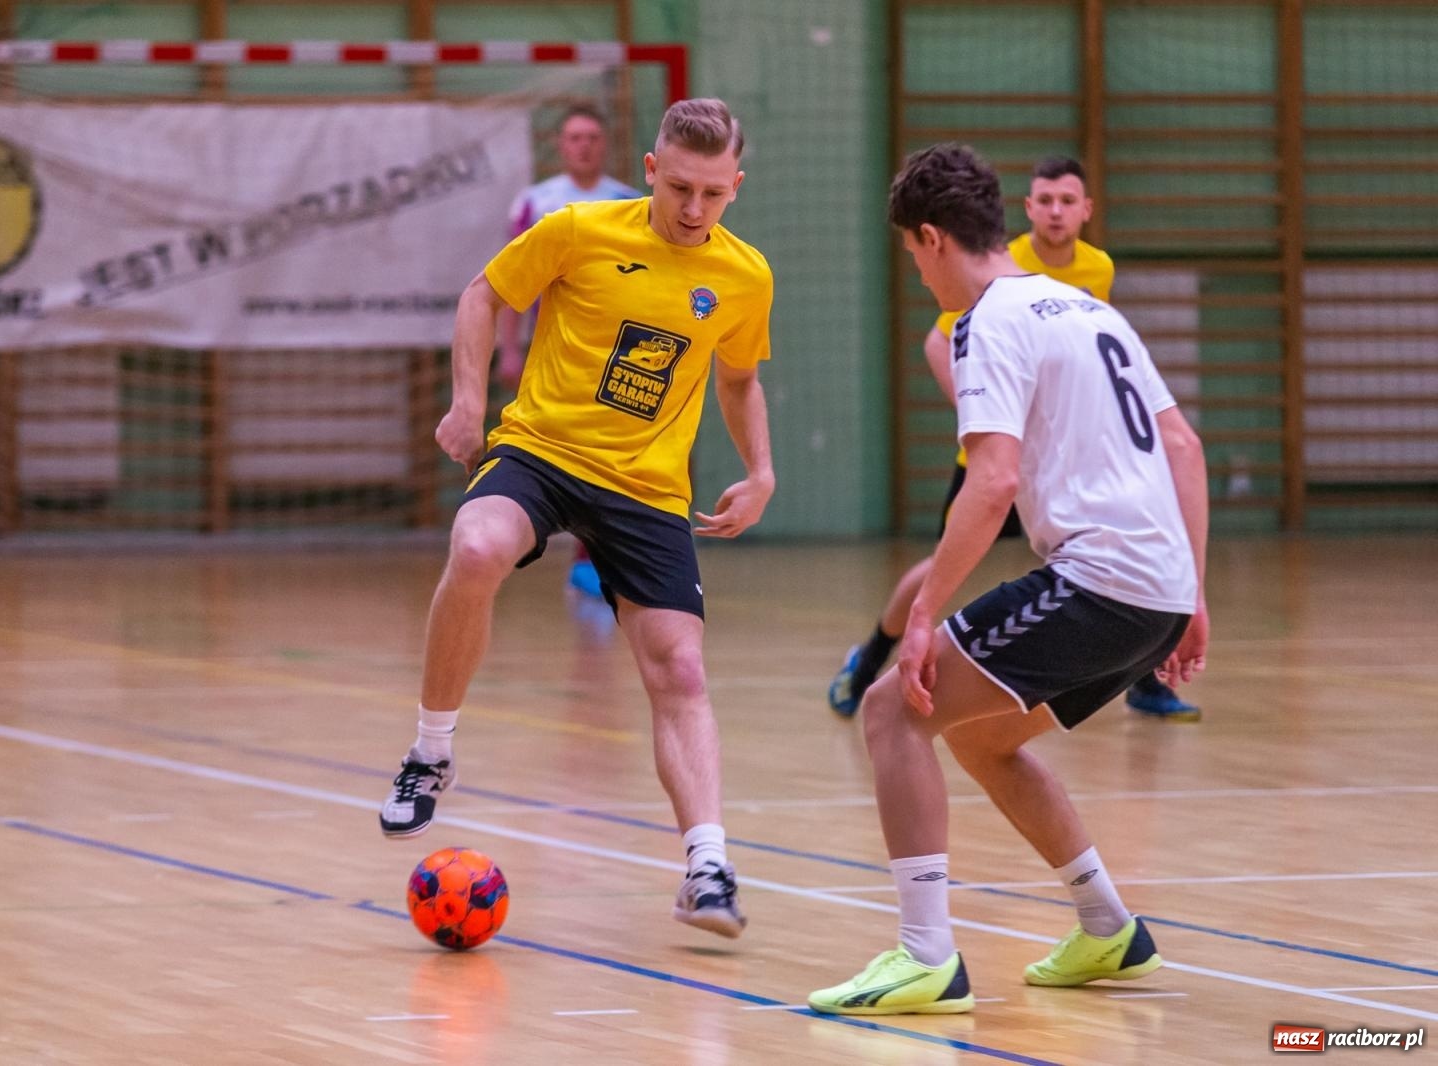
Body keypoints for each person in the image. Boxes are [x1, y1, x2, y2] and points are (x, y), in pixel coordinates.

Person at [808, 143, 1209, 1015]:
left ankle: (926, 957)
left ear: (930, 238)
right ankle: (1109, 928)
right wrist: (1196, 595)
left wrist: (921, 618)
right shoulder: (1089, 310)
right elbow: (1184, 446)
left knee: (891, 708)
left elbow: (991, 481)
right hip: (1156, 588)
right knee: (983, 735)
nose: (919, 277)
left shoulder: (986, 319)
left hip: (1098, 580)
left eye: (914, 258)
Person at [379, 98, 775, 940]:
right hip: (544, 451)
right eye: (679, 188)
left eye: (712, 193)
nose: (693, 209)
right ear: (649, 171)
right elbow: (483, 295)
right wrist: (466, 403)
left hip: (648, 488)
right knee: (478, 543)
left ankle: (707, 867)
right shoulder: (578, 230)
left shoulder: (745, 276)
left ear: (736, 186)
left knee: (681, 670)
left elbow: (738, 379)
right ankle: (430, 752)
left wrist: (761, 470)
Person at [828, 156, 1200, 722]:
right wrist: (989, 414)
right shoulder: (1005, 271)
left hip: (1055, 472)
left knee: (913, 720)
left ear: (1085, 211)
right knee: (944, 568)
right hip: (1001, 456)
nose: (1055, 211)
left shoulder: (1092, 274)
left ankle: (1145, 680)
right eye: (1044, 200)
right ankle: (870, 656)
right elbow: (940, 348)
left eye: (1066, 201)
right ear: (1025, 210)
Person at [497, 107, 644, 603]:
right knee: (554, 450)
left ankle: (598, 557)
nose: (584, 145)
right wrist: (509, 349)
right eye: (575, 137)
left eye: (593, 137)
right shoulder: (537, 202)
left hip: (618, 356)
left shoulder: (629, 202)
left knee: (612, 454)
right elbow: (510, 283)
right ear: (560, 144)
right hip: (555, 357)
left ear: (605, 144)